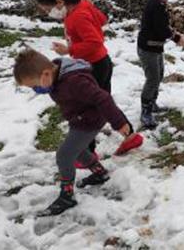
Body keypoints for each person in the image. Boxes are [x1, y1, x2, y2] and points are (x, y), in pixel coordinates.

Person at [13, 49, 137, 216]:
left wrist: (119, 122)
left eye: (34, 86)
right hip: (80, 118)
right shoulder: (57, 76)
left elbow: (103, 98)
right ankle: (100, 174)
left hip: (90, 121)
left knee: (64, 155)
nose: (35, 90)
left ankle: (67, 196)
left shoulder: (74, 81)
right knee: (78, 151)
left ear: (46, 73)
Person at [37, 0, 135, 156]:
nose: (48, 13)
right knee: (103, 101)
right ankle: (130, 136)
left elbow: (95, 41)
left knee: (87, 108)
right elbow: (102, 19)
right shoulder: (82, 6)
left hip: (93, 66)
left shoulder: (77, 16)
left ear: (60, 2)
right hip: (102, 62)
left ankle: (88, 152)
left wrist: (70, 49)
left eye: (47, 9)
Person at [137, 0, 184, 129]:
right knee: (152, 78)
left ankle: (152, 103)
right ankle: (145, 111)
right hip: (148, 48)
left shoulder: (160, 2)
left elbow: (163, 26)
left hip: (156, 48)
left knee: (159, 75)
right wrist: (177, 38)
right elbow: (162, 29)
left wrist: (174, 34)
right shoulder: (156, 4)